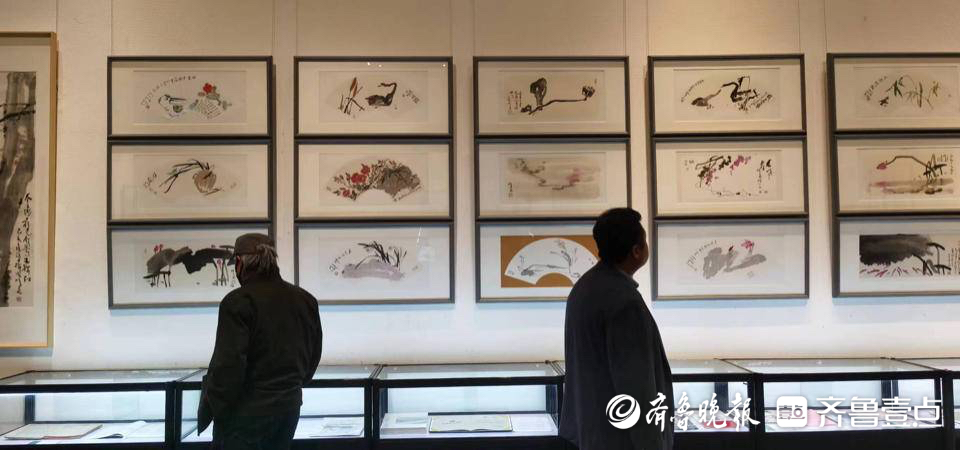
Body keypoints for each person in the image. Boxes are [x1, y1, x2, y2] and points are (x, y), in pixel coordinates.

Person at [560, 208, 674, 450]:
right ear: (636, 251)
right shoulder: (624, 302)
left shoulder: (583, 287)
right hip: (621, 439)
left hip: (592, 432)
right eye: (645, 241)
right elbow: (637, 388)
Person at [198, 233, 323, 450]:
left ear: (239, 263)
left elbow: (228, 366)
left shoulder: (238, 302)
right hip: (289, 409)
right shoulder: (305, 300)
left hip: (245, 414)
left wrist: (214, 409)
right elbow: (313, 356)